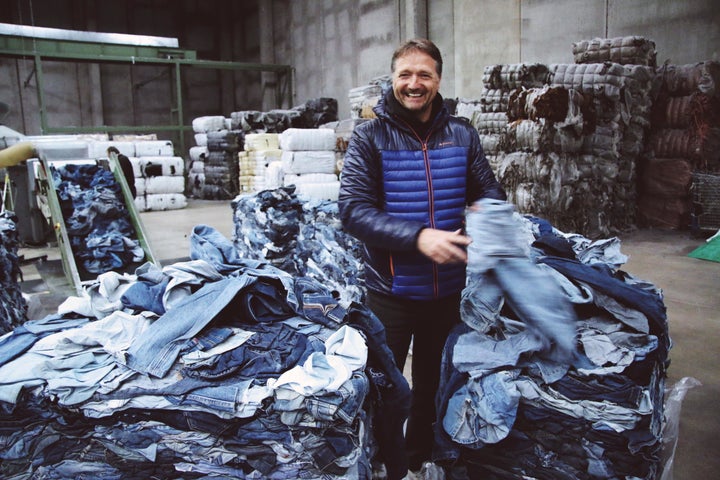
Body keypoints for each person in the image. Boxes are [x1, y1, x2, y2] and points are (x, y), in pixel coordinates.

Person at [338, 39, 507, 479]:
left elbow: (488, 190)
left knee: (436, 384)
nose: (414, 84)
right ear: (392, 80)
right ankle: (381, 461)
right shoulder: (370, 136)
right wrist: (417, 237)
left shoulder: (462, 134)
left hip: (449, 290)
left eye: (424, 75)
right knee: (387, 388)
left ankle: (418, 458)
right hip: (391, 290)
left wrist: (484, 210)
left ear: (438, 80)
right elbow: (353, 211)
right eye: (405, 75)